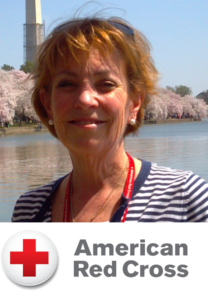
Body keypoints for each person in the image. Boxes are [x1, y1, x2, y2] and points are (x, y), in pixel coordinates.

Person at [12, 16, 208, 223]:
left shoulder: (185, 198)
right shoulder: (29, 211)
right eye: (67, 84)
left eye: (105, 84)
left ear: (134, 103)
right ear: (47, 104)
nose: (85, 100)